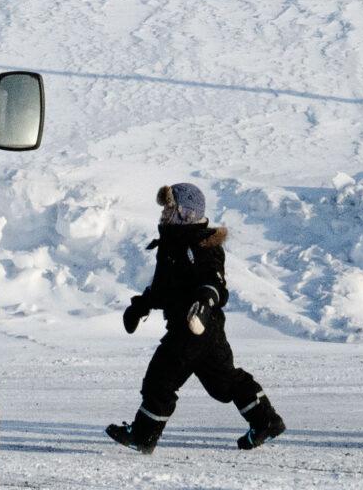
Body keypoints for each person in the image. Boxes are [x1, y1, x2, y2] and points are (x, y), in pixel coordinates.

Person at [106, 182, 288, 453]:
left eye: (169, 208)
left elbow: (214, 281)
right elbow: (164, 288)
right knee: (223, 383)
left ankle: (143, 436)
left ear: (185, 213)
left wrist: (204, 302)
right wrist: (140, 306)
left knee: (160, 378)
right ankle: (266, 421)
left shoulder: (201, 244)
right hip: (200, 331)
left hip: (195, 325)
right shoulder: (172, 243)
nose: (164, 214)